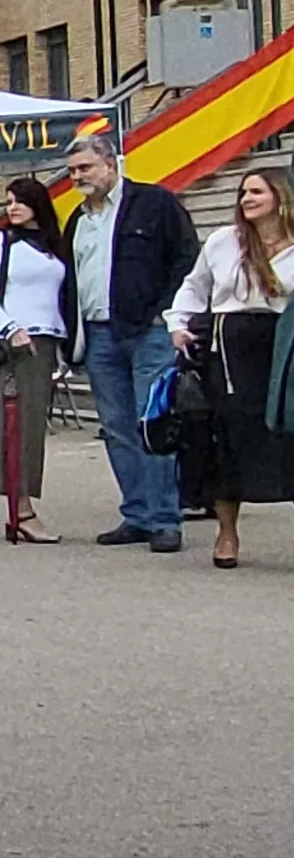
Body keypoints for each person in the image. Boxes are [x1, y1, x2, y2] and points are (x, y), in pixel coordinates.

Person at [61, 132, 200, 553]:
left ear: (110, 163)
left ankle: (164, 519)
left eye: (85, 168)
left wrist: (166, 311)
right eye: (71, 171)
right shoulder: (78, 220)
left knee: (151, 423)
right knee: (117, 429)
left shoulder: (154, 203)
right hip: (98, 334)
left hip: (148, 332)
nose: (77, 177)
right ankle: (137, 514)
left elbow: (187, 258)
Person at [166, 168, 294, 569]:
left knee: (288, 435)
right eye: (243, 192)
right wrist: (178, 324)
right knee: (227, 439)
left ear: (280, 197)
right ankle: (227, 533)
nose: (246, 199)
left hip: (283, 344)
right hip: (230, 352)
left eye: (256, 192)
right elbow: (194, 286)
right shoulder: (225, 241)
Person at [0, 177, 71, 545]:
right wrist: (10, 328)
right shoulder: (0, 241)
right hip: (12, 343)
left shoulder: (51, 244)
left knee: (31, 426)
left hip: (45, 341)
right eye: (9, 201)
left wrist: (64, 347)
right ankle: (22, 511)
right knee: (14, 425)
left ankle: (21, 508)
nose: (13, 208)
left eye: (20, 201)